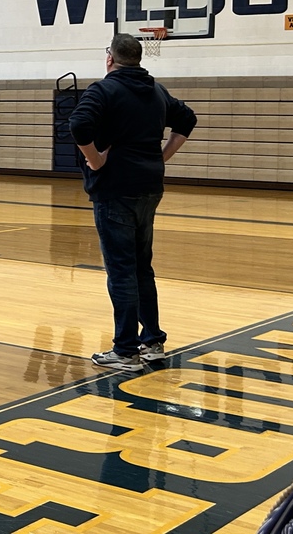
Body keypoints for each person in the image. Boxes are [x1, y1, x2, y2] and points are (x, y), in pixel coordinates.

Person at [69, 33, 197, 372]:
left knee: (121, 271)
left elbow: (79, 124)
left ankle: (125, 351)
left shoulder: (103, 90)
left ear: (110, 58)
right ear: (138, 59)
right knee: (141, 268)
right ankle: (152, 341)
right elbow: (187, 119)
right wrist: (161, 157)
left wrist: (95, 160)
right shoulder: (156, 91)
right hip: (149, 187)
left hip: (116, 189)